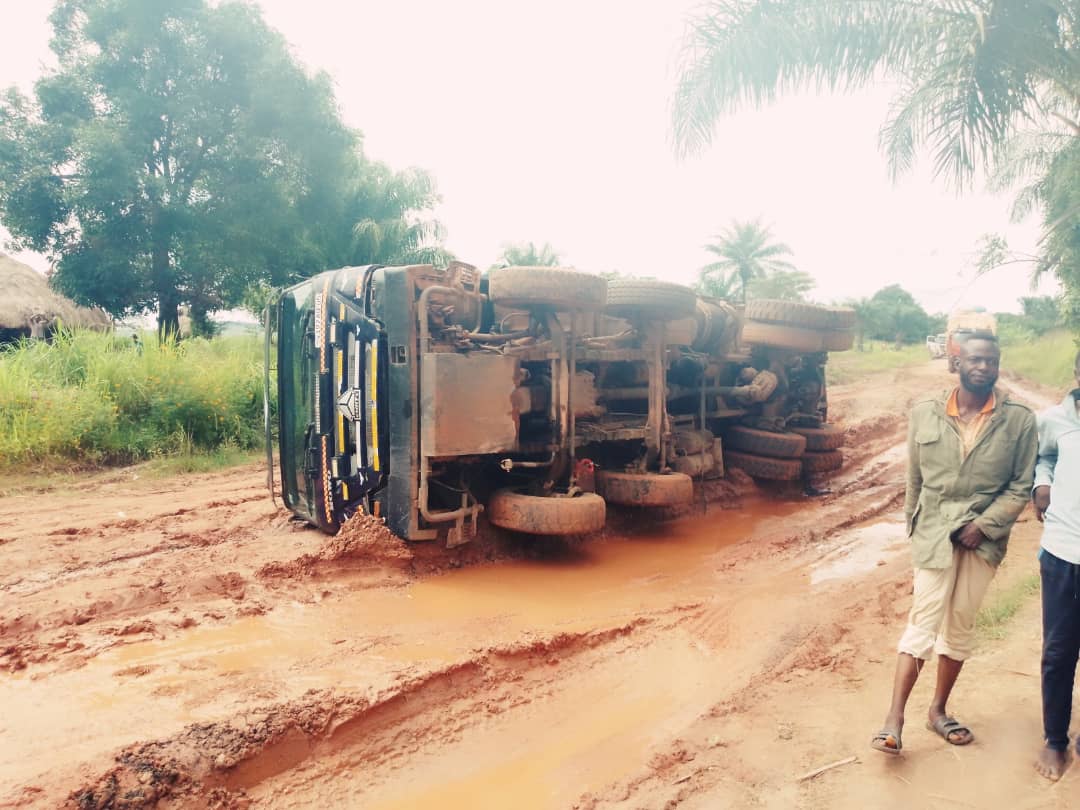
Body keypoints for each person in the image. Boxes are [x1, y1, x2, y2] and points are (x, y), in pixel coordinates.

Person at [871, 335, 1038, 755]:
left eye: (992, 360)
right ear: (956, 361)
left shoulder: (1018, 419)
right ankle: (893, 719)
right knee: (922, 621)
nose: (983, 366)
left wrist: (984, 525)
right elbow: (914, 478)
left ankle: (938, 711)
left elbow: (1020, 486)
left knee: (960, 625)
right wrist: (914, 525)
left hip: (982, 541)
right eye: (975, 359)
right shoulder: (925, 412)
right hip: (933, 534)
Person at [1033, 350, 1080, 781]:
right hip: (1065, 553)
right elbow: (1043, 456)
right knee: (1060, 652)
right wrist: (1042, 484)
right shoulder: (1055, 420)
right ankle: (1055, 740)